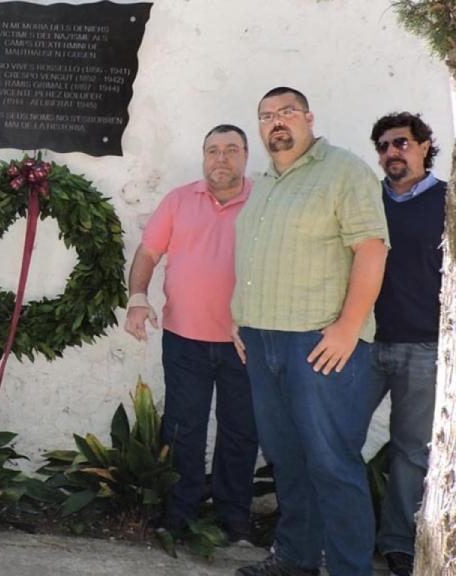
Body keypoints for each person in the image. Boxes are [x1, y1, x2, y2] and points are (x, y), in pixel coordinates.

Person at [232, 87, 389, 576]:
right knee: (287, 458)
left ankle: (348, 569)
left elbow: (371, 249)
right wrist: (241, 318)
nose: (277, 122)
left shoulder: (344, 170)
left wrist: (347, 328)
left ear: (309, 118)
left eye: (287, 112)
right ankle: (297, 558)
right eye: (267, 116)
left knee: (333, 464)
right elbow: (260, 259)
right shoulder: (266, 183)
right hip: (262, 340)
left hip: (319, 345)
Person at [125, 125, 257, 543]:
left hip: (246, 343)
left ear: (246, 155)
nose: (221, 158)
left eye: (231, 150)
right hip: (185, 339)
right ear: (203, 157)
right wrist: (137, 297)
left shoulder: (265, 200)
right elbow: (148, 252)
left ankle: (234, 517)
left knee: (240, 430)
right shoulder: (179, 200)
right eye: (213, 150)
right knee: (184, 428)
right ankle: (178, 513)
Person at [366, 112, 444, 576]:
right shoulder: (367, 201)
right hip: (361, 342)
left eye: (401, 143)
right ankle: (338, 529)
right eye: (383, 146)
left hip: (424, 346)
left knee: (411, 451)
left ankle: (397, 543)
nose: (392, 152)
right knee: (335, 438)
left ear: (423, 145)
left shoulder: (447, 202)